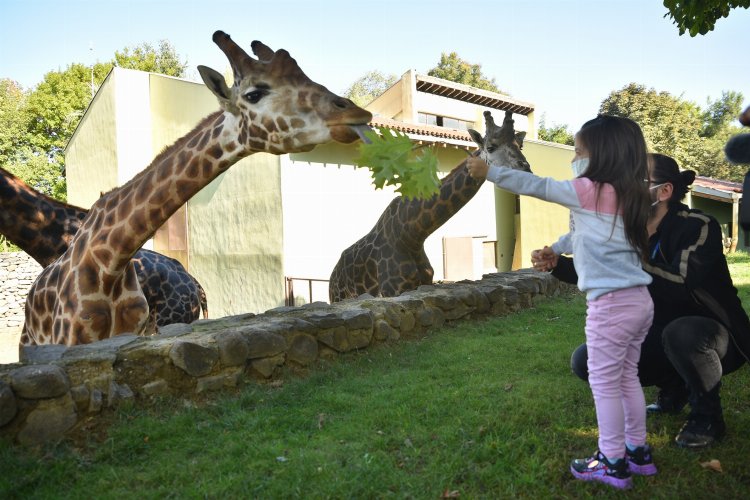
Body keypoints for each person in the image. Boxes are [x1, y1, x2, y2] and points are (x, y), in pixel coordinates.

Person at [467, 115, 655, 490]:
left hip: (610, 307)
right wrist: (555, 247)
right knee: (626, 377)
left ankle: (612, 461)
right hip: (639, 303)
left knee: (604, 383)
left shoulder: (588, 188)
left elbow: (538, 186)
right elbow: (583, 233)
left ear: (601, 154)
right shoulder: (632, 194)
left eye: (578, 151)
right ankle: (638, 452)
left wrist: (489, 171)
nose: (574, 158)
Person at [533, 153, 750, 450]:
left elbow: (681, 284)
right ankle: (673, 388)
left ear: (663, 191)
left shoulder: (699, 225)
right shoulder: (625, 229)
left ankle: (707, 417)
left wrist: (624, 257)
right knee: (587, 359)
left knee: (681, 332)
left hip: (714, 337)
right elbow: (597, 270)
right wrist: (558, 262)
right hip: (658, 331)